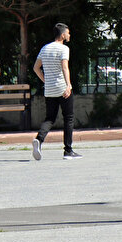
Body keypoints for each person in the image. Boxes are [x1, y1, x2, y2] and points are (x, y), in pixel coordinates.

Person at [32, 23, 81, 160]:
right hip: (62, 88)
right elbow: (65, 67)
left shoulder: (45, 48)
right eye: (68, 33)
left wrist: (45, 81)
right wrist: (69, 85)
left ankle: (39, 139)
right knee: (68, 118)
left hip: (49, 89)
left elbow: (36, 68)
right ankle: (68, 150)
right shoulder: (64, 48)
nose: (69, 35)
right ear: (63, 35)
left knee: (50, 118)